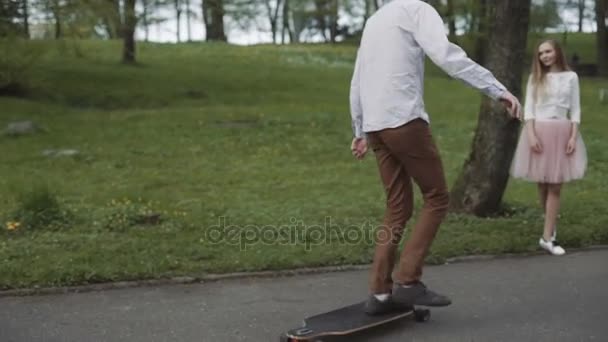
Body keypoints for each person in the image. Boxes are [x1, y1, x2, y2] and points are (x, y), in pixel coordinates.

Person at [348, 0, 522, 315]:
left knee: (397, 207)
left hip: (376, 127)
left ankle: (379, 294)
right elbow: (446, 55)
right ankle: (408, 281)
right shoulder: (417, 9)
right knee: (437, 196)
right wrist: (498, 89)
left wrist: (360, 129)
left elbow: (358, 77)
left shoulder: (375, 19)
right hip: (404, 121)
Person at [510, 39, 587, 256]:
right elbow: (530, 110)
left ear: (557, 52)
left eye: (548, 51)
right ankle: (550, 226)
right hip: (539, 132)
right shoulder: (536, 78)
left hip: (562, 132)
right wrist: (531, 135)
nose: (545, 56)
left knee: (555, 185)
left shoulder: (571, 77)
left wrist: (573, 136)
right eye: (541, 53)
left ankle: (547, 238)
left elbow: (576, 109)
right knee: (543, 183)